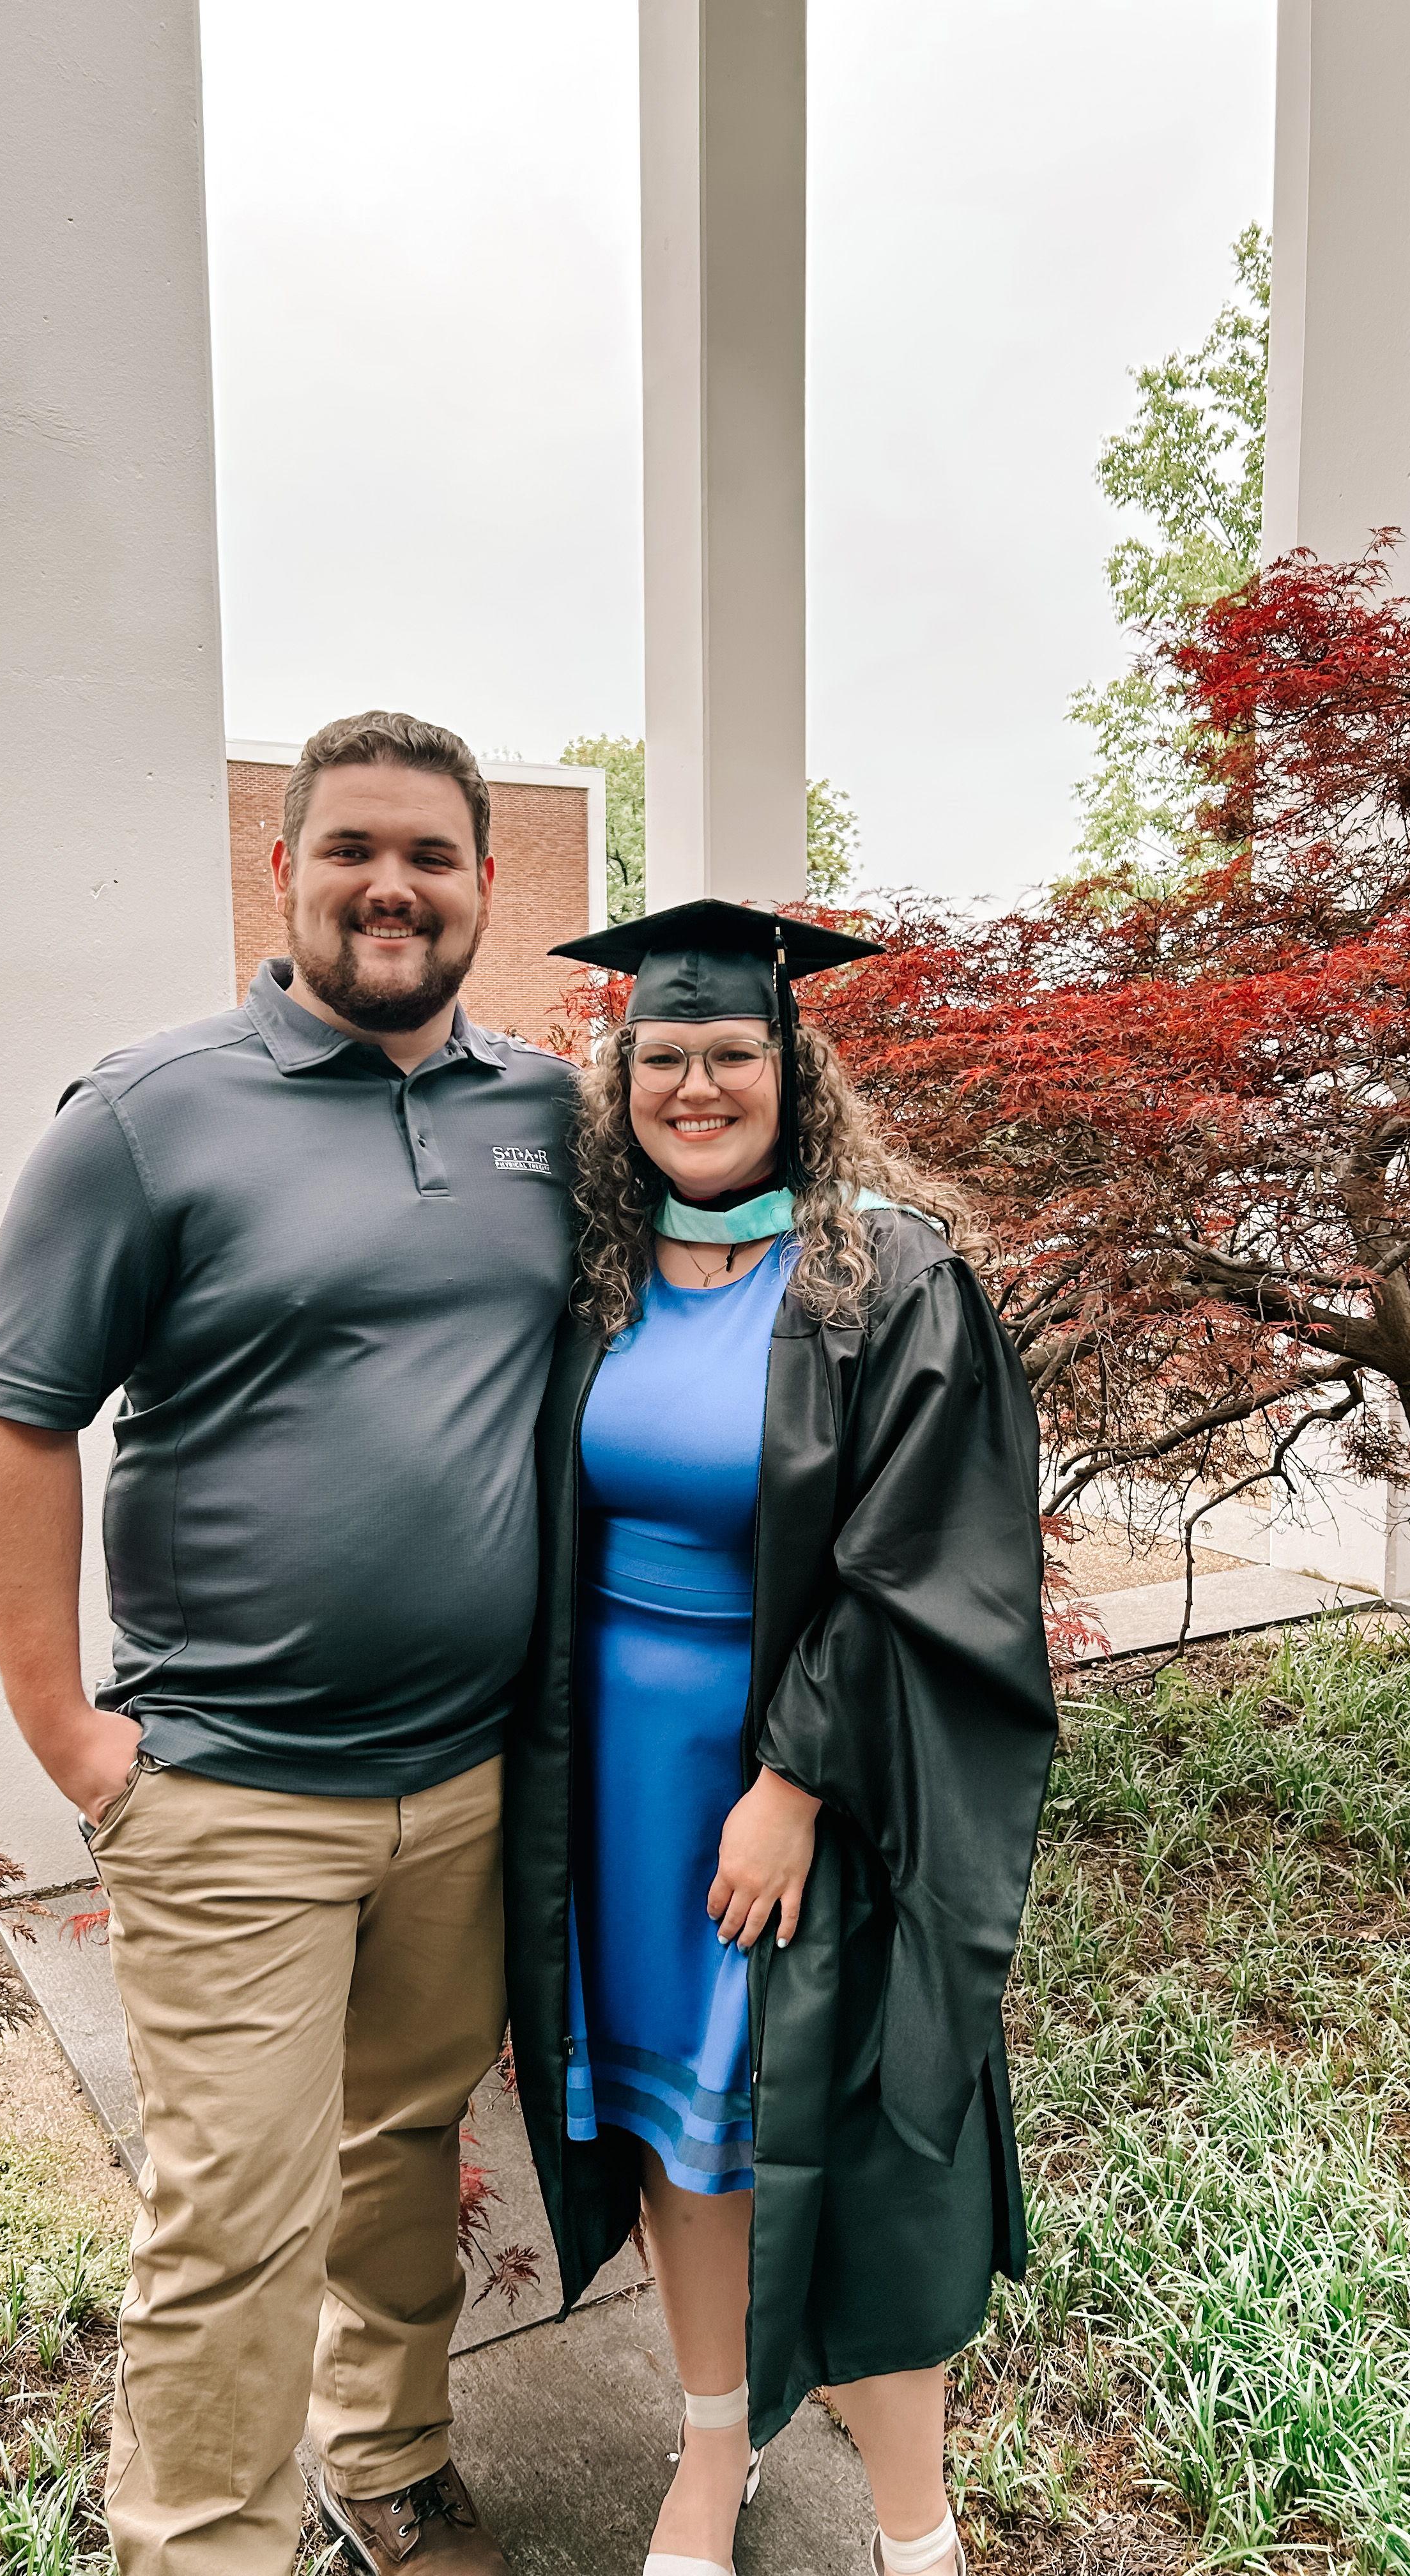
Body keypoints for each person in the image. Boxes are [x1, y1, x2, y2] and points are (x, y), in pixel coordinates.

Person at [0, 710, 574, 2576]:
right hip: (228, 1789)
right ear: (283, 870)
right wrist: (72, 1737)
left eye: (433, 855)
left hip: (468, 1780)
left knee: (403, 2161)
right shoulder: (150, 1115)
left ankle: (384, 2456)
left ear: (485, 884)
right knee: (229, 2216)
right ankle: (200, 2542)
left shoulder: (547, 1114)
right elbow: (14, 1420)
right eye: (353, 850)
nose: (393, 885)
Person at [502, 900, 1059, 2576]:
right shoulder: (603, 1273)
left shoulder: (886, 1271)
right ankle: (713, 2447)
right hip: (615, 1779)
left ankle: (915, 2520)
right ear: (621, 1078)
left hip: (801, 1780)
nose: (692, 1085)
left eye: (727, 1053)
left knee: (857, 2137)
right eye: (659, 1056)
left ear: (789, 1067)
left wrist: (797, 1782)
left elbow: (930, 1561)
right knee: (679, 2131)